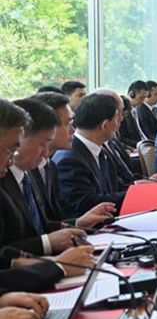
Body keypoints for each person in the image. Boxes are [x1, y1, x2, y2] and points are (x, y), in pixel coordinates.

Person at [0, 99, 88, 256]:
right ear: (22, 138)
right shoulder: (4, 177)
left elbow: (40, 224)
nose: (46, 153)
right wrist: (48, 245)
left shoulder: (30, 173)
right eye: (42, 144)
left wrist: (76, 224)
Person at [28, 93, 116, 226]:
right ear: (47, 126)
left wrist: (78, 223)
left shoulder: (48, 165)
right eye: (68, 123)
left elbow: (53, 222)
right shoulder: (63, 160)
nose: (73, 130)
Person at [52, 93, 132, 217]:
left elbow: (116, 187)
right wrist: (136, 195)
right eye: (117, 117)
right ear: (104, 125)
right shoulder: (69, 159)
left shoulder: (99, 148)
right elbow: (86, 203)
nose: (120, 121)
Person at [120, 81, 151, 146]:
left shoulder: (137, 110)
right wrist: (140, 145)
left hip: (145, 145)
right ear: (131, 94)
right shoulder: (122, 112)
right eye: (141, 98)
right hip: (136, 147)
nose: (143, 101)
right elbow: (121, 138)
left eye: (144, 98)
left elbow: (144, 133)